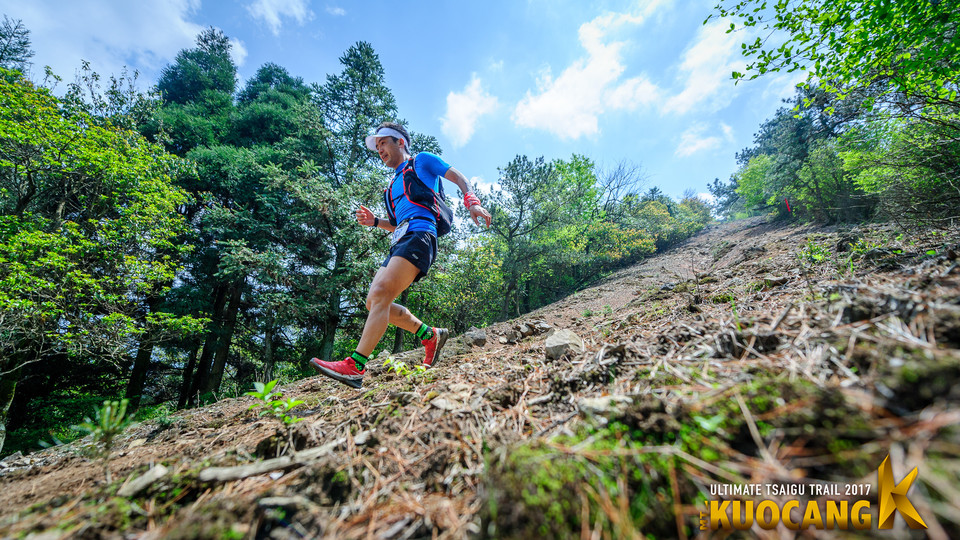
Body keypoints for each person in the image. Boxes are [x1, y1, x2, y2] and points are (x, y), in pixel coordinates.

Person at [310, 122, 492, 388]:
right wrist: (375, 222)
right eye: (378, 146)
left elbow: (458, 177)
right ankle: (428, 335)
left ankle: (355, 366)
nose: (380, 149)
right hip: (402, 239)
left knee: (382, 292)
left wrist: (472, 202)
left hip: (421, 235)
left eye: (384, 143)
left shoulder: (422, 161)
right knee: (374, 301)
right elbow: (397, 223)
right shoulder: (393, 185)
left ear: (400, 142)